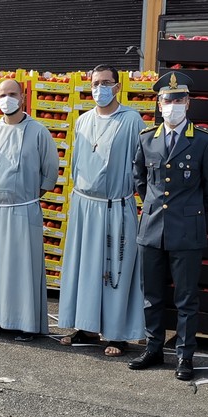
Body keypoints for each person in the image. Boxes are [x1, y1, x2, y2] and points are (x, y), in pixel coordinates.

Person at [128, 71, 208, 380]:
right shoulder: (147, 138)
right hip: (152, 228)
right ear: (159, 103)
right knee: (152, 295)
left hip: (187, 228)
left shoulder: (205, 140)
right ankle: (153, 348)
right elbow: (140, 181)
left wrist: (187, 210)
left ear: (188, 103)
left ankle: (184, 356)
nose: (173, 105)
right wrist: (156, 208)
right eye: (168, 100)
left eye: (179, 99)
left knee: (185, 299)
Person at [57, 65, 146, 356]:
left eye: (106, 83)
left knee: (115, 267)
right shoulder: (82, 121)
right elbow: (76, 162)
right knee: (86, 268)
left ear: (117, 87)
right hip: (85, 204)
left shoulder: (131, 120)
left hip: (115, 205)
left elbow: (140, 162)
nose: (100, 88)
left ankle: (117, 333)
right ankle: (85, 324)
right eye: (95, 83)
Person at [0, 79, 59, 341]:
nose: (6, 99)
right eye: (2, 94)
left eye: (12, 94)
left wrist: (30, 194)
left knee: (21, 266)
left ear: (23, 97)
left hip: (23, 207)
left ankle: (24, 323)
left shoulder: (39, 131)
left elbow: (50, 170)